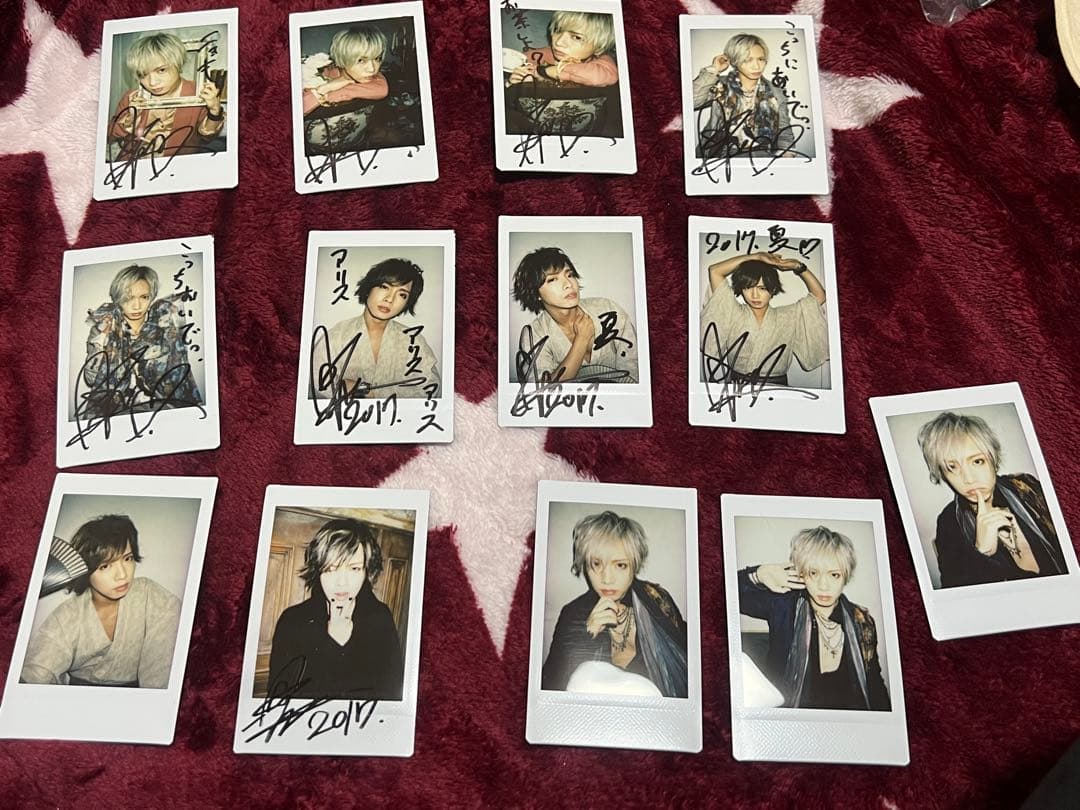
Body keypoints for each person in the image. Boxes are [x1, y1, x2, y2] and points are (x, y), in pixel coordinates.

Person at [738, 526, 891, 711]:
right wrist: (759, 574)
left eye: (834, 575)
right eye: (813, 573)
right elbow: (724, 595)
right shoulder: (783, 606)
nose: (823, 585)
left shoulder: (862, 620)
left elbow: (874, 684)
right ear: (802, 573)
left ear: (845, 576)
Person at [21, 515, 182, 688]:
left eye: (127, 558)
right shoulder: (67, 616)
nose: (122, 575)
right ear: (85, 570)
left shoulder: (150, 596)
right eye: (105, 566)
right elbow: (37, 672)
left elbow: (163, 667)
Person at [542, 511, 688, 698]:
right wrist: (586, 636)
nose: (607, 579)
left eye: (620, 565)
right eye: (596, 564)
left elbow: (689, 657)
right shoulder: (572, 614)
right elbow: (551, 688)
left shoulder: (657, 599)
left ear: (634, 565)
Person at [916, 412, 1067, 588]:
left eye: (977, 461)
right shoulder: (949, 522)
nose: (969, 479)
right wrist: (982, 553)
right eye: (952, 467)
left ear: (993, 460)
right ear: (943, 474)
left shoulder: (1027, 488)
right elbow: (957, 595)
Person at [267, 518, 403, 701]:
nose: (342, 582)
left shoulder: (381, 617)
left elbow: (391, 697)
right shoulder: (292, 621)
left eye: (354, 569)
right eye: (331, 569)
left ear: (366, 571)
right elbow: (279, 701)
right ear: (318, 571)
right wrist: (332, 643)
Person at [81, 264, 202, 419]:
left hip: (160, 408)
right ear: (118, 298)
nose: (137, 306)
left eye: (144, 297)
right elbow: (91, 379)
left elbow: (178, 378)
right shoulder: (103, 328)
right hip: (115, 412)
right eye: (128, 298)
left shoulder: (165, 327)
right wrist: (101, 342)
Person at [512, 247, 638, 384]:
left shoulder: (607, 309)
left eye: (570, 275)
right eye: (552, 279)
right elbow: (543, 391)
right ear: (536, 293)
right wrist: (582, 339)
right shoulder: (534, 335)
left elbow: (635, 371)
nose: (568, 284)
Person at [701, 251, 828, 387]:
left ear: (772, 289)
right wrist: (756, 257)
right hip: (736, 387)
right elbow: (715, 271)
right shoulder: (733, 311)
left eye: (762, 288)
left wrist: (798, 266)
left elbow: (819, 296)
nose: (754, 295)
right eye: (748, 287)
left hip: (776, 388)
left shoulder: (788, 316)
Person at [319, 258, 440, 400]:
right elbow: (318, 382)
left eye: (402, 294)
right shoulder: (338, 335)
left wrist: (367, 391)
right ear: (368, 289)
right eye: (384, 287)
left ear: (407, 303)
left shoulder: (413, 340)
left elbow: (430, 387)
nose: (390, 299)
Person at [110, 31, 225, 159]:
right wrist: (130, 119)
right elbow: (110, 135)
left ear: (178, 64)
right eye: (143, 74)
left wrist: (215, 111)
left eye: (161, 70)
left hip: (178, 165)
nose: (152, 83)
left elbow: (206, 137)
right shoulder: (132, 97)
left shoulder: (198, 94)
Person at [691, 32, 793, 158]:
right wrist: (714, 69)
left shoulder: (775, 93)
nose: (756, 66)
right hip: (720, 153)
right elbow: (692, 102)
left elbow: (784, 133)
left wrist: (786, 158)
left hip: (761, 155)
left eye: (761, 59)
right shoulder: (721, 86)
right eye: (747, 60)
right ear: (735, 61)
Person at [507, 11, 618, 87]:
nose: (558, 42)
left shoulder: (602, 62)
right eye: (558, 30)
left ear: (599, 48)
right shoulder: (533, 57)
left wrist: (544, 71)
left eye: (577, 37)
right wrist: (511, 85)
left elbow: (604, 77)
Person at [302, 25, 390, 116]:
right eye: (361, 60)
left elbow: (382, 89)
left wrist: (329, 91)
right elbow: (297, 111)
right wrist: (325, 88)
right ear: (343, 58)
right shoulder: (322, 72)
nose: (372, 69)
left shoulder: (374, 79)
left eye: (377, 58)